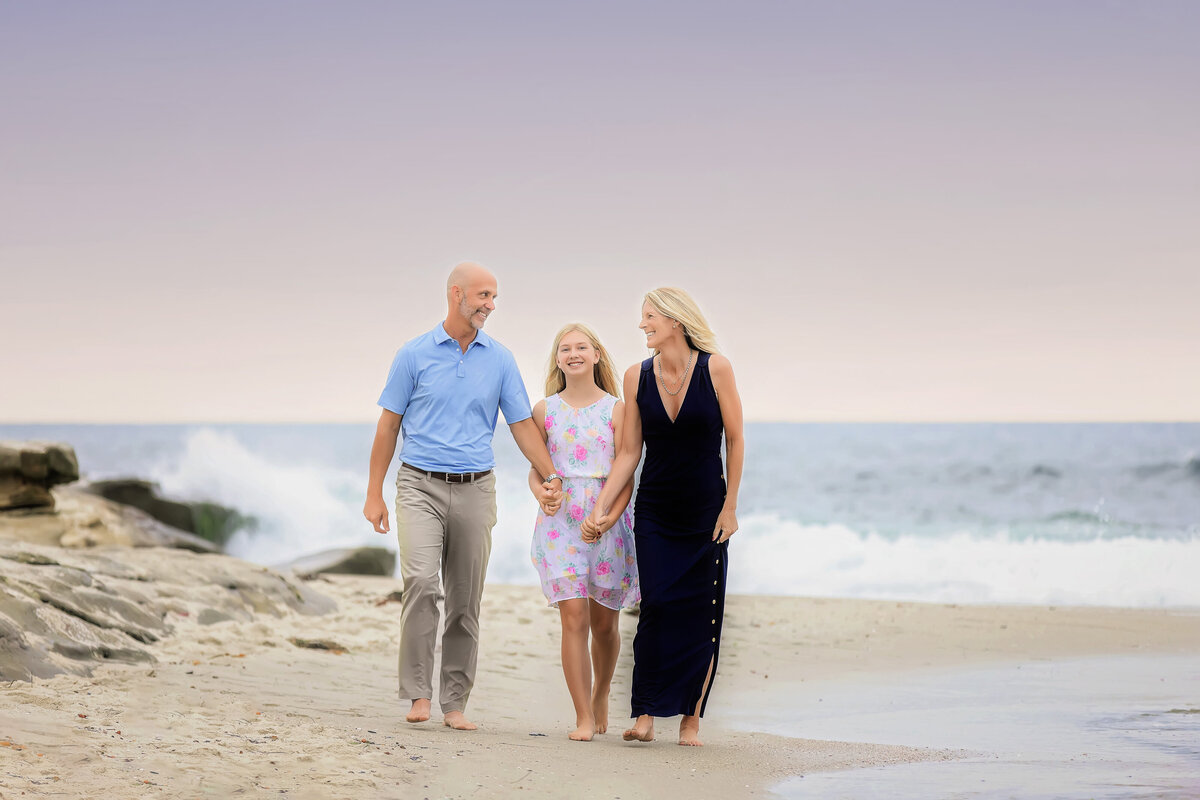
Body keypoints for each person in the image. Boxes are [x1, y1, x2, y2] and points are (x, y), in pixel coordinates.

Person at [364, 261, 563, 732]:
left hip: (477, 488)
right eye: (483, 296)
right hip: (418, 485)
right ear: (457, 294)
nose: (490, 306)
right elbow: (388, 425)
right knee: (420, 583)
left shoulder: (500, 359)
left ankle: (455, 702)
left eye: (494, 298)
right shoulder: (413, 355)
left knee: (464, 599)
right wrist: (374, 494)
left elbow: (520, 426)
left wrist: (551, 474)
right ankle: (418, 693)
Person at [585, 287, 744, 747]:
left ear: (675, 320)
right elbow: (630, 450)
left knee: (701, 612)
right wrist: (603, 507)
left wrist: (730, 506)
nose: (643, 325)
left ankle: (690, 720)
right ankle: (645, 712)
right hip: (654, 509)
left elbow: (735, 439)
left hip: (705, 511)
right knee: (655, 606)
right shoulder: (637, 376)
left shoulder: (716, 368)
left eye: (649, 316)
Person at [527, 323, 640, 741]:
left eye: (581, 347)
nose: (573, 353)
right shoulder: (544, 410)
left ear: (596, 355)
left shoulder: (618, 409)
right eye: (564, 348)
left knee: (605, 625)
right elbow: (536, 470)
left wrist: (609, 515)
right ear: (558, 360)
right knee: (573, 616)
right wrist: (542, 493)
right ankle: (582, 717)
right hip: (560, 525)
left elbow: (627, 471)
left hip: (605, 522)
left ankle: (602, 690)